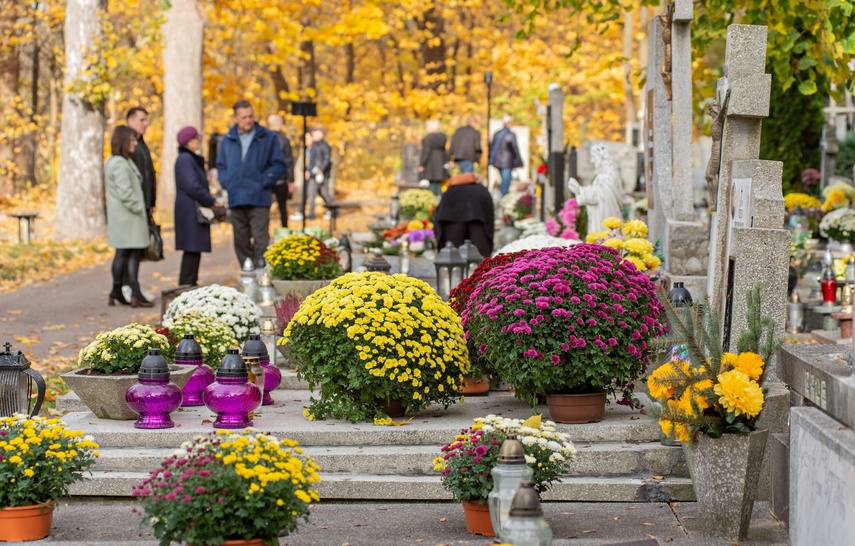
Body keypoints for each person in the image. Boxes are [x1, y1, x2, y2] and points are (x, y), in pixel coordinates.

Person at [216, 100, 287, 267]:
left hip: (259, 197)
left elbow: (278, 164)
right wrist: (227, 182)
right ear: (235, 118)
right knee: (240, 241)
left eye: (250, 116)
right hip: (236, 197)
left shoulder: (267, 137)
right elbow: (221, 165)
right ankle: (247, 274)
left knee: (261, 239)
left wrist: (263, 181)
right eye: (243, 117)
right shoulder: (227, 139)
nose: (248, 120)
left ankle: (261, 274)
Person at [105, 125, 153, 308]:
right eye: (132, 140)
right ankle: (130, 291)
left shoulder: (118, 160)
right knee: (127, 254)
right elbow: (125, 193)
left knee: (127, 253)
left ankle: (124, 291)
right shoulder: (119, 163)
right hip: (128, 217)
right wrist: (139, 208)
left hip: (124, 217)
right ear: (124, 141)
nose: (135, 143)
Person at [174, 126, 223, 287]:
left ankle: (190, 283)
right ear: (189, 142)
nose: (199, 141)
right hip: (190, 210)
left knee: (194, 248)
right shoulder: (186, 159)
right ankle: (186, 285)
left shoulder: (189, 158)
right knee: (192, 248)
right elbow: (191, 185)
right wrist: (209, 200)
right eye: (197, 139)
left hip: (191, 208)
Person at [433, 173, 495, 258]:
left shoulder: (450, 191)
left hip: (452, 206)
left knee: (452, 256)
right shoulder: (481, 189)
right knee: (481, 256)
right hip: (478, 206)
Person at [568, 143, 624, 234]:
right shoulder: (603, 174)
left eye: (594, 157)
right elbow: (598, 190)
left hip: (606, 216)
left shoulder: (611, 173)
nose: (592, 160)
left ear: (601, 157)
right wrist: (579, 190)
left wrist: (581, 190)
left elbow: (603, 193)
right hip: (600, 216)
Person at [126, 107, 156, 214]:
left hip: (145, 206)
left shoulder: (143, 145)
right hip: (134, 206)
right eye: (142, 120)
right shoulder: (125, 146)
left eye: (146, 120)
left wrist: (151, 202)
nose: (146, 123)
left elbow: (149, 174)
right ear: (130, 121)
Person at [267, 114, 294, 227]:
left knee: (265, 208)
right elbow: (289, 162)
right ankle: (285, 230)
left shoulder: (264, 140)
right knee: (282, 207)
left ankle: (264, 233)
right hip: (281, 179)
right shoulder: (284, 140)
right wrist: (291, 180)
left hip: (266, 179)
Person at [488, 115, 524, 195]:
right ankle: (503, 200)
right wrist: (520, 163)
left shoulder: (496, 134)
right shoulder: (510, 135)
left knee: (503, 181)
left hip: (497, 162)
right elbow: (515, 149)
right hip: (506, 162)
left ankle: (502, 198)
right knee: (505, 182)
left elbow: (491, 147)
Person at [304, 127, 334, 220]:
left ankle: (333, 210)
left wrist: (320, 169)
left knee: (324, 193)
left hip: (321, 174)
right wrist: (308, 170)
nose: (313, 133)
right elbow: (311, 160)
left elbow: (326, 159)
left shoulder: (324, 146)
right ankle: (311, 214)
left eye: (315, 132)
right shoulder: (314, 146)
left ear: (321, 134)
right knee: (311, 194)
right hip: (313, 174)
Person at [419, 119, 448, 197]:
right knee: (439, 184)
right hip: (440, 162)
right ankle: (440, 198)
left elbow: (426, 152)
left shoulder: (428, 138)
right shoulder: (443, 137)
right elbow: (444, 151)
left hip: (430, 163)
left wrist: (422, 164)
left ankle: (433, 201)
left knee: (432, 184)